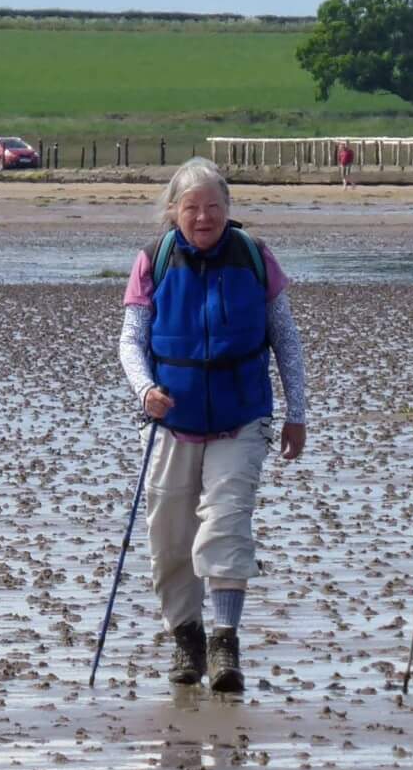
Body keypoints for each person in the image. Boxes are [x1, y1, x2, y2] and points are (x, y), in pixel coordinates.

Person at [118, 158, 307, 695]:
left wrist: (297, 413)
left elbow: (286, 339)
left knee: (226, 525)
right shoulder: (153, 260)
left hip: (240, 419)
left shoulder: (254, 258)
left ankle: (225, 642)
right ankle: (186, 637)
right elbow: (131, 340)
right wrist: (145, 390)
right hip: (170, 421)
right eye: (192, 207)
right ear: (173, 211)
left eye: (213, 207)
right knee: (170, 540)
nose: (203, 217)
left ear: (228, 210)